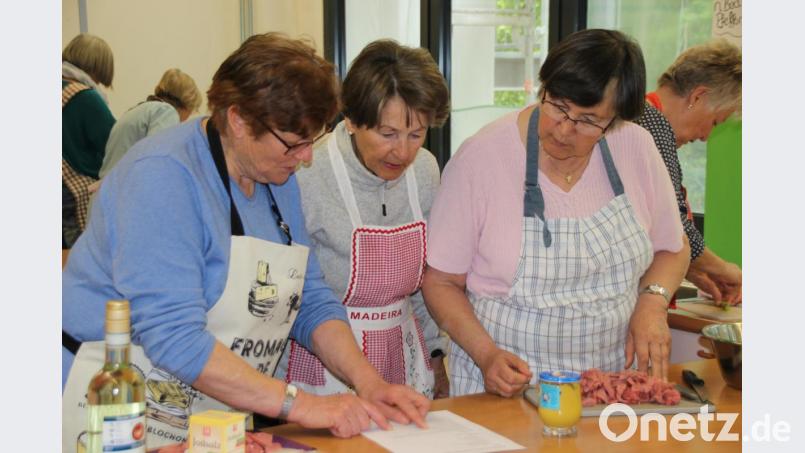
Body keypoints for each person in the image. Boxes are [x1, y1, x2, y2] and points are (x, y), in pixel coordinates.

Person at [62, 33, 429, 451]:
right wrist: (301, 405)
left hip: (204, 406)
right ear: (237, 119)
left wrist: (369, 383)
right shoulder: (162, 177)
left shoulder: (279, 178)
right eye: (295, 142)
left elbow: (309, 299)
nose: (307, 157)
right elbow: (174, 338)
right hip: (111, 404)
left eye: (313, 140)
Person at [421, 29, 690, 398]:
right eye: (558, 106)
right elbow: (440, 282)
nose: (564, 129)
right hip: (510, 389)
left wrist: (653, 302)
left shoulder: (635, 147)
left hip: (610, 389)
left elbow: (673, 247)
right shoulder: (481, 158)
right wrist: (487, 356)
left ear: (614, 120)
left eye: (588, 120)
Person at [278, 40, 451, 398]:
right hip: (323, 361)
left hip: (402, 354)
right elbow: (290, 293)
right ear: (352, 120)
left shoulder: (425, 171)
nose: (402, 151)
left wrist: (436, 358)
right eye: (387, 134)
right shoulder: (309, 172)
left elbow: (426, 282)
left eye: (416, 134)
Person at [636, 40, 742, 305]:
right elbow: (672, 223)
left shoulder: (643, 118)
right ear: (698, 97)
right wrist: (726, 270)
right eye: (715, 122)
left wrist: (691, 269)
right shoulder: (652, 126)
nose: (706, 136)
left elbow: (646, 227)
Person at [62, 33, 116, 247]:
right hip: (71, 198)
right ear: (96, 69)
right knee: (75, 266)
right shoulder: (85, 97)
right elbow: (114, 144)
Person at [99, 68, 202, 179]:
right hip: (123, 189)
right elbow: (158, 160)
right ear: (187, 104)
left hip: (108, 188)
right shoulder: (166, 112)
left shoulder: (139, 109)